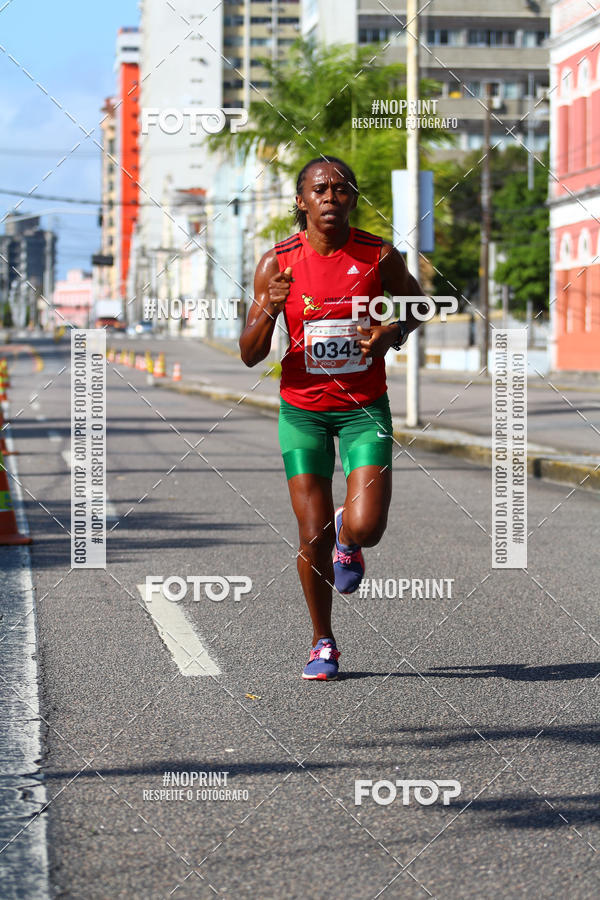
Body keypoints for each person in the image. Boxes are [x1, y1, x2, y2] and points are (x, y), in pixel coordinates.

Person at [240, 156, 424, 681]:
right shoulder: (277, 263)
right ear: (301, 201)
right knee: (310, 530)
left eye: (342, 189)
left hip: (364, 408)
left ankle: (351, 540)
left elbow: (416, 306)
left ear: (352, 199)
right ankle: (323, 641)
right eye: (319, 189)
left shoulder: (377, 253)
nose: (330, 196)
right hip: (303, 413)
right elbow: (250, 354)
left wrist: (391, 333)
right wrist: (270, 308)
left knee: (366, 526)